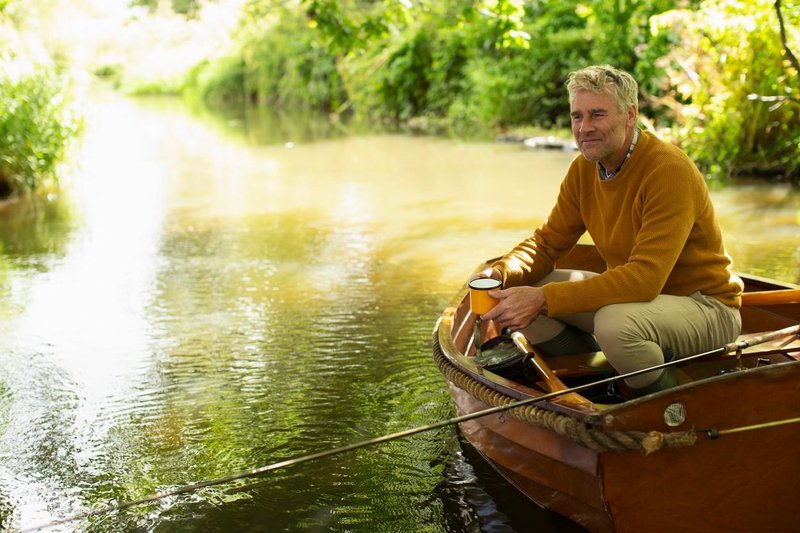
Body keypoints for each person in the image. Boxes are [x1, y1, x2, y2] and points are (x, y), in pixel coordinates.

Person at [480, 64, 743, 397]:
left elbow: (645, 279)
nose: (585, 128)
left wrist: (544, 299)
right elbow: (546, 244)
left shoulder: (668, 171)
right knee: (523, 289)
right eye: (577, 117)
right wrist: (500, 274)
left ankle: (668, 403)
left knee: (615, 325)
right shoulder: (583, 170)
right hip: (640, 306)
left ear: (630, 115)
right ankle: (596, 380)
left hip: (706, 309)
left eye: (598, 115)